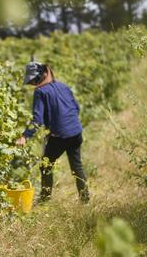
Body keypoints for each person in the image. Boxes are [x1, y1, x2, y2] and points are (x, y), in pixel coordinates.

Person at [16, 61, 90, 203]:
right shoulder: (63, 86)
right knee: (77, 167)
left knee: (46, 165)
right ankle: (85, 200)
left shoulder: (40, 92)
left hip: (61, 136)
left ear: (43, 74)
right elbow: (76, 108)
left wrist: (25, 136)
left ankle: (44, 199)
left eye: (33, 80)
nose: (33, 83)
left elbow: (37, 119)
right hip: (76, 132)